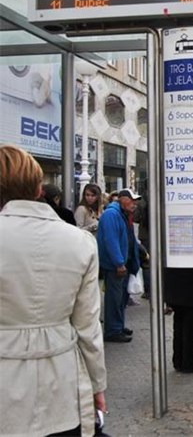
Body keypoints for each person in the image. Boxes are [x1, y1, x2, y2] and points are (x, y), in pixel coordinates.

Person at [0, 145, 107, 436]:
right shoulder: (80, 242)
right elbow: (88, 327)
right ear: (38, 189)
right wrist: (97, 386)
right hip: (61, 383)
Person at [97, 188, 141, 343]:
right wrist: (119, 263)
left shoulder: (121, 214)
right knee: (114, 298)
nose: (135, 204)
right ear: (122, 199)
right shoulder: (112, 215)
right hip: (116, 265)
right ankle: (113, 330)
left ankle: (118, 326)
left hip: (123, 263)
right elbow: (111, 240)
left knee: (121, 298)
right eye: (132, 200)